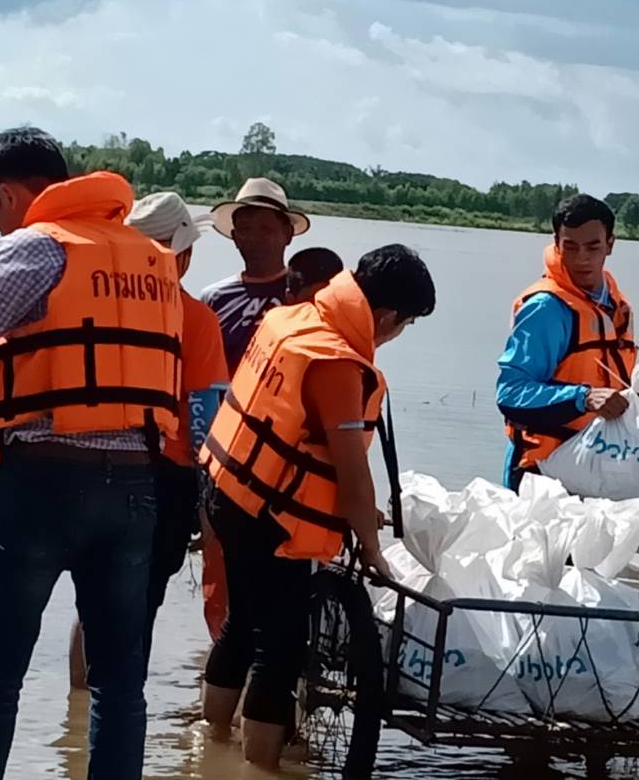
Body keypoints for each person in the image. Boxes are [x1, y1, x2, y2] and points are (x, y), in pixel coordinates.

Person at [0, 128, 183, 780]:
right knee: (121, 682)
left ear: (8, 192)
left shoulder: (34, 249)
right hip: (134, 484)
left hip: (42, 481)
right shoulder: (151, 256)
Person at [198, 244, 436, 770]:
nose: (395, 338)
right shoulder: (336, 362)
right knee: (279, 647)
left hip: (226, 489)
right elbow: (351, 471)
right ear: (387, 316)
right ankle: (258, 768)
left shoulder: (292, 319)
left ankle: (210, 741)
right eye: (403, 326)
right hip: (270, 517)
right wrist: (372, 548)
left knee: (242, 621)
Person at [66, 192, 231, 689]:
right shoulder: (195, 319)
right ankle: (115, 712)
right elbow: (204, 418)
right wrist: (209, 503)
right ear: (178, 254)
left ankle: (77, 714)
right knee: (142, 601)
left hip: (87, 465)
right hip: (161, 478)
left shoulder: (92, 302)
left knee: (92, 597)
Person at [497, 194, 639, 490]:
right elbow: (511, 394)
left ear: (610, 244)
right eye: (570, 246)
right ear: (556, 243)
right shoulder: (546, 308)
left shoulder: (617, 307)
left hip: (601, 465)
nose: (582, 258)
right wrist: (584, 398)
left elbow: (621, 384)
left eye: (593, 247)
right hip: (541, 474)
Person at [200, 177, 310, 371]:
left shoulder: (307, 296)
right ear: (234, 238)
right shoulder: (213, 299)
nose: (254, 238)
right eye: (245, 229)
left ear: (288, 234)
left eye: (266, 229)